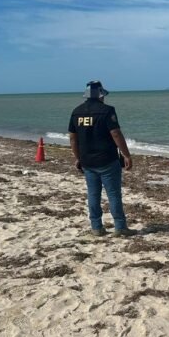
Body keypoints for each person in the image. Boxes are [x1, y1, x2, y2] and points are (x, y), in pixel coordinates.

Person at [68, 81, 136, 237]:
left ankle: (96, 227)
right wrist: (126, 155)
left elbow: (73, 138)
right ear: (100, 95)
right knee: (113, 194)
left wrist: (78, 158)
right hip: (107, 159)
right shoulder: (107, 111)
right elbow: (116, 134)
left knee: (93, 194)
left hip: (87, 161)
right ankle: (120, 227)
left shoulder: (76, 112)